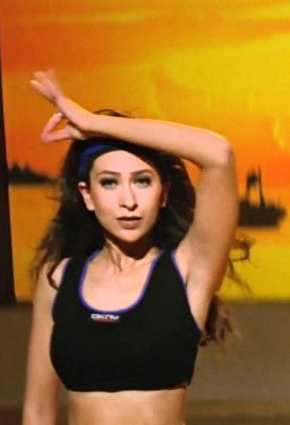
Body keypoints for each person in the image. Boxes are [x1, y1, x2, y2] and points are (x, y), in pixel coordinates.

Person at [21, 70, 243, 424]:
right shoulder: (59, 280)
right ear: (87, 195)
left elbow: (218, 154)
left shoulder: (186, 271)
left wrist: (94, 124)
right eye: (109, 183)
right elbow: (37, 411)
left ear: (164, 193)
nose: (128, 201)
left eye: (142, 181)